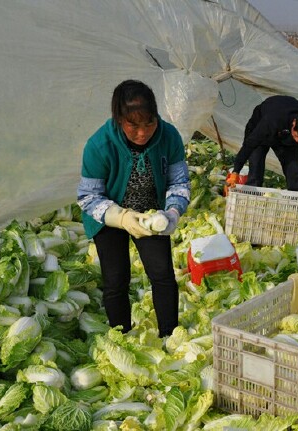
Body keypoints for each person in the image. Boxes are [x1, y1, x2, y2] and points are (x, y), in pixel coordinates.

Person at [77, 80, 190, 337]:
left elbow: (179, 182)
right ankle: (122, 334)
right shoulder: (99, 145)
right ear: (118, 119)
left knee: (162, 274)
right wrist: (120, 216)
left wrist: (172, 211)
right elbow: (88, 197)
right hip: (110, 217)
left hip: (152, 213)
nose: (143, 132)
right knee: (116, 280)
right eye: (133, 125)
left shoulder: (169, 136)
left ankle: (169, 336)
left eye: (149, 123)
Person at [225, 95, 298, 202]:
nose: (297, 141)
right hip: (261, 127)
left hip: (284, 135)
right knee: (255, 167)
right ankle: (250, 202)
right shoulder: (272, 119)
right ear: (294, 123)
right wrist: (236, 171)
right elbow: (249, 144)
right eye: (296, 136)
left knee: (295, 172)